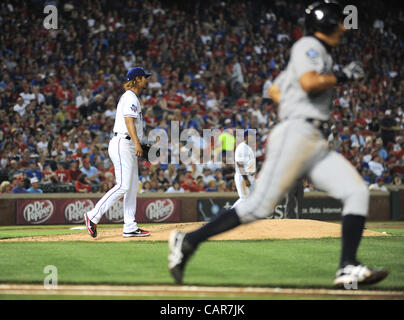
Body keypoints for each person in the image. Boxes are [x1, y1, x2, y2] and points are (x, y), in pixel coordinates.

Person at [168, 1, 388, 288]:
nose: (345, 26)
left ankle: (347, 266)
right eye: (339, 20)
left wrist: (295, 98)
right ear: (327, 24)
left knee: (357, 191)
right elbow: (309, 83)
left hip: (316, 141)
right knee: (257, 207)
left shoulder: (316, 55)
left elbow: (274, 89)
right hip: (297, 133)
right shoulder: (308, 46)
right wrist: (342, 76)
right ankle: (188, 241)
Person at [84, 67, 151, 238]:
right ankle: (93, 215)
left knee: (132, 187)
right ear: (136, 79)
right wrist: (137, 143)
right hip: (123, 142)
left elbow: (133, 125)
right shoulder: (130, 97)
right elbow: (129, 121)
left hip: (128, 143)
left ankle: (130, 226)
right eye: (144, 77)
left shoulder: (132, 97)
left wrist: (141, 146)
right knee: (123, 186)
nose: (146, 80)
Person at [231, 129, 256, 208]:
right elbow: (239, 164)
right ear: (246, 137)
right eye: (251, 135)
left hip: (249, 176)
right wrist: (245, 179)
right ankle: (228, 216)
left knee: (251, 199)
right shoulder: (242, 147)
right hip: (243, 177)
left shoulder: (249, 147)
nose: (254, 137)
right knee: (244, 199)